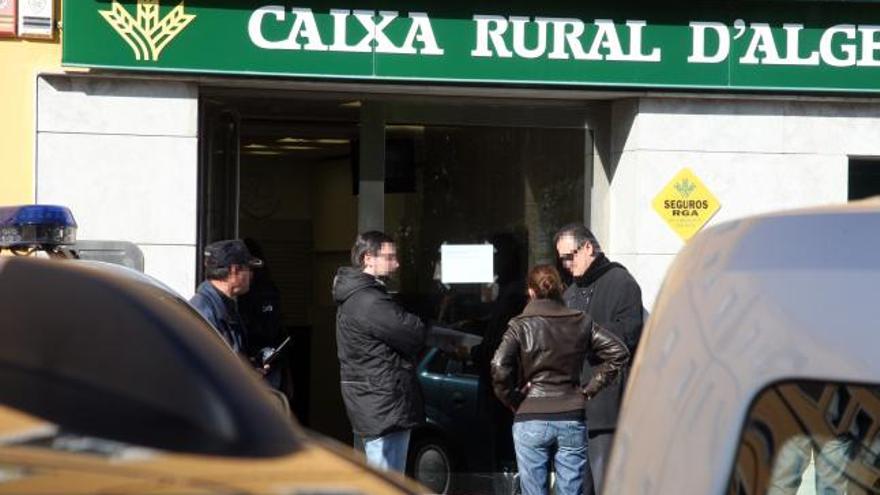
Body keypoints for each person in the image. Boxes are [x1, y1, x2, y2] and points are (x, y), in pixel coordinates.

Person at [491, 264, 629, 495]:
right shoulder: (580, 321)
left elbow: (498, 364)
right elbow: (619, 352)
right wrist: (590, 389)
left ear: (532, 292)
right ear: (560, 289)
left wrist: (513, 399)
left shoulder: (520, 325)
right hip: (571, 413)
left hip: (531, 414)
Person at [553, 224, 644, 494]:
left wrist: (582, 335)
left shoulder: (621, 282)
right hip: (573, 410)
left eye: (570, 257)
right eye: (562, 260)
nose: (566, 265)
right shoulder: (569, 293)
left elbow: (629, 334)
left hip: (606, 409)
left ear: (588, 248)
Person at [332, 231, 427, 472]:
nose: (396, 263)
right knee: (386, 478)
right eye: (389, 257)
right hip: (383, 400)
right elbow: (413, 333)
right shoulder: (369, 301)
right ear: (368, 258)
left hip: (378, 398)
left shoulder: (363, 297)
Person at [190, 239, 263, 359]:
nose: (251, 275)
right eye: (248, 269)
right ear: (234, 270)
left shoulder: (226, 307)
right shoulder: (203, 311)